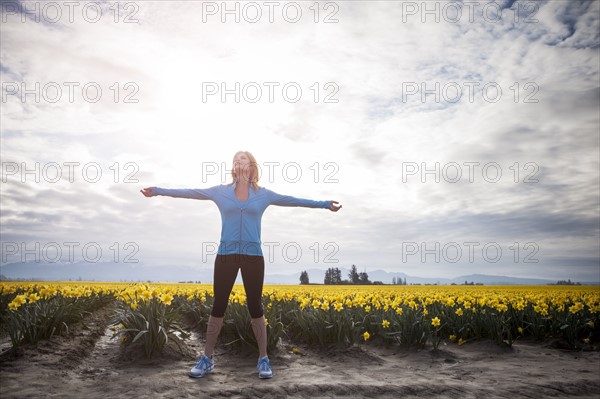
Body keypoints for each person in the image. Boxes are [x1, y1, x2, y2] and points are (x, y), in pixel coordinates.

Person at [140, 150, 342, 379]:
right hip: (226, 255)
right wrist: (156, 191)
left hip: (253, 256)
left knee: (256, 306)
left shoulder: (263, 195)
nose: (238, 161)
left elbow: (294, 201)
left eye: (242, 158)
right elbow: (189, 192)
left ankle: (263, 359)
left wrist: (325, 204)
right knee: (218, 306)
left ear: (252, 165)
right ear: (233, 167)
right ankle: (207, 358)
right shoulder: (220, 192)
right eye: (235, 159)